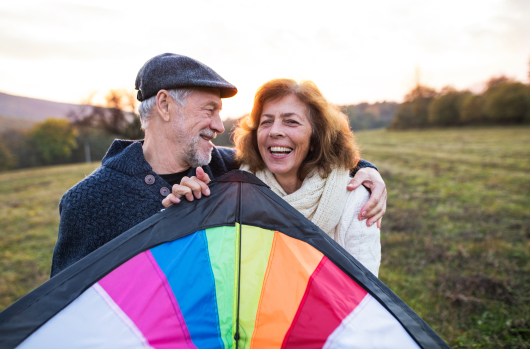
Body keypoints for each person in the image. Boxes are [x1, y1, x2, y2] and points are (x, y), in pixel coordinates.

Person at [51, 54, 386, 277]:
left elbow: (299, 158)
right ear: (165, 105)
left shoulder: (227, 168)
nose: (217, 124)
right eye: (209, 109)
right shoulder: (90, 201)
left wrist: (365, 172)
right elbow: (68, 309)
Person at [163, 79, 381, 275]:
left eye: (291, 122)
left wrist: (371, 170)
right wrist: (183, 215)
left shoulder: (357, 201)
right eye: (266, 122)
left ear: (316, 136)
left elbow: (365, 300)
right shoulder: (235, 195)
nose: (274, 131)